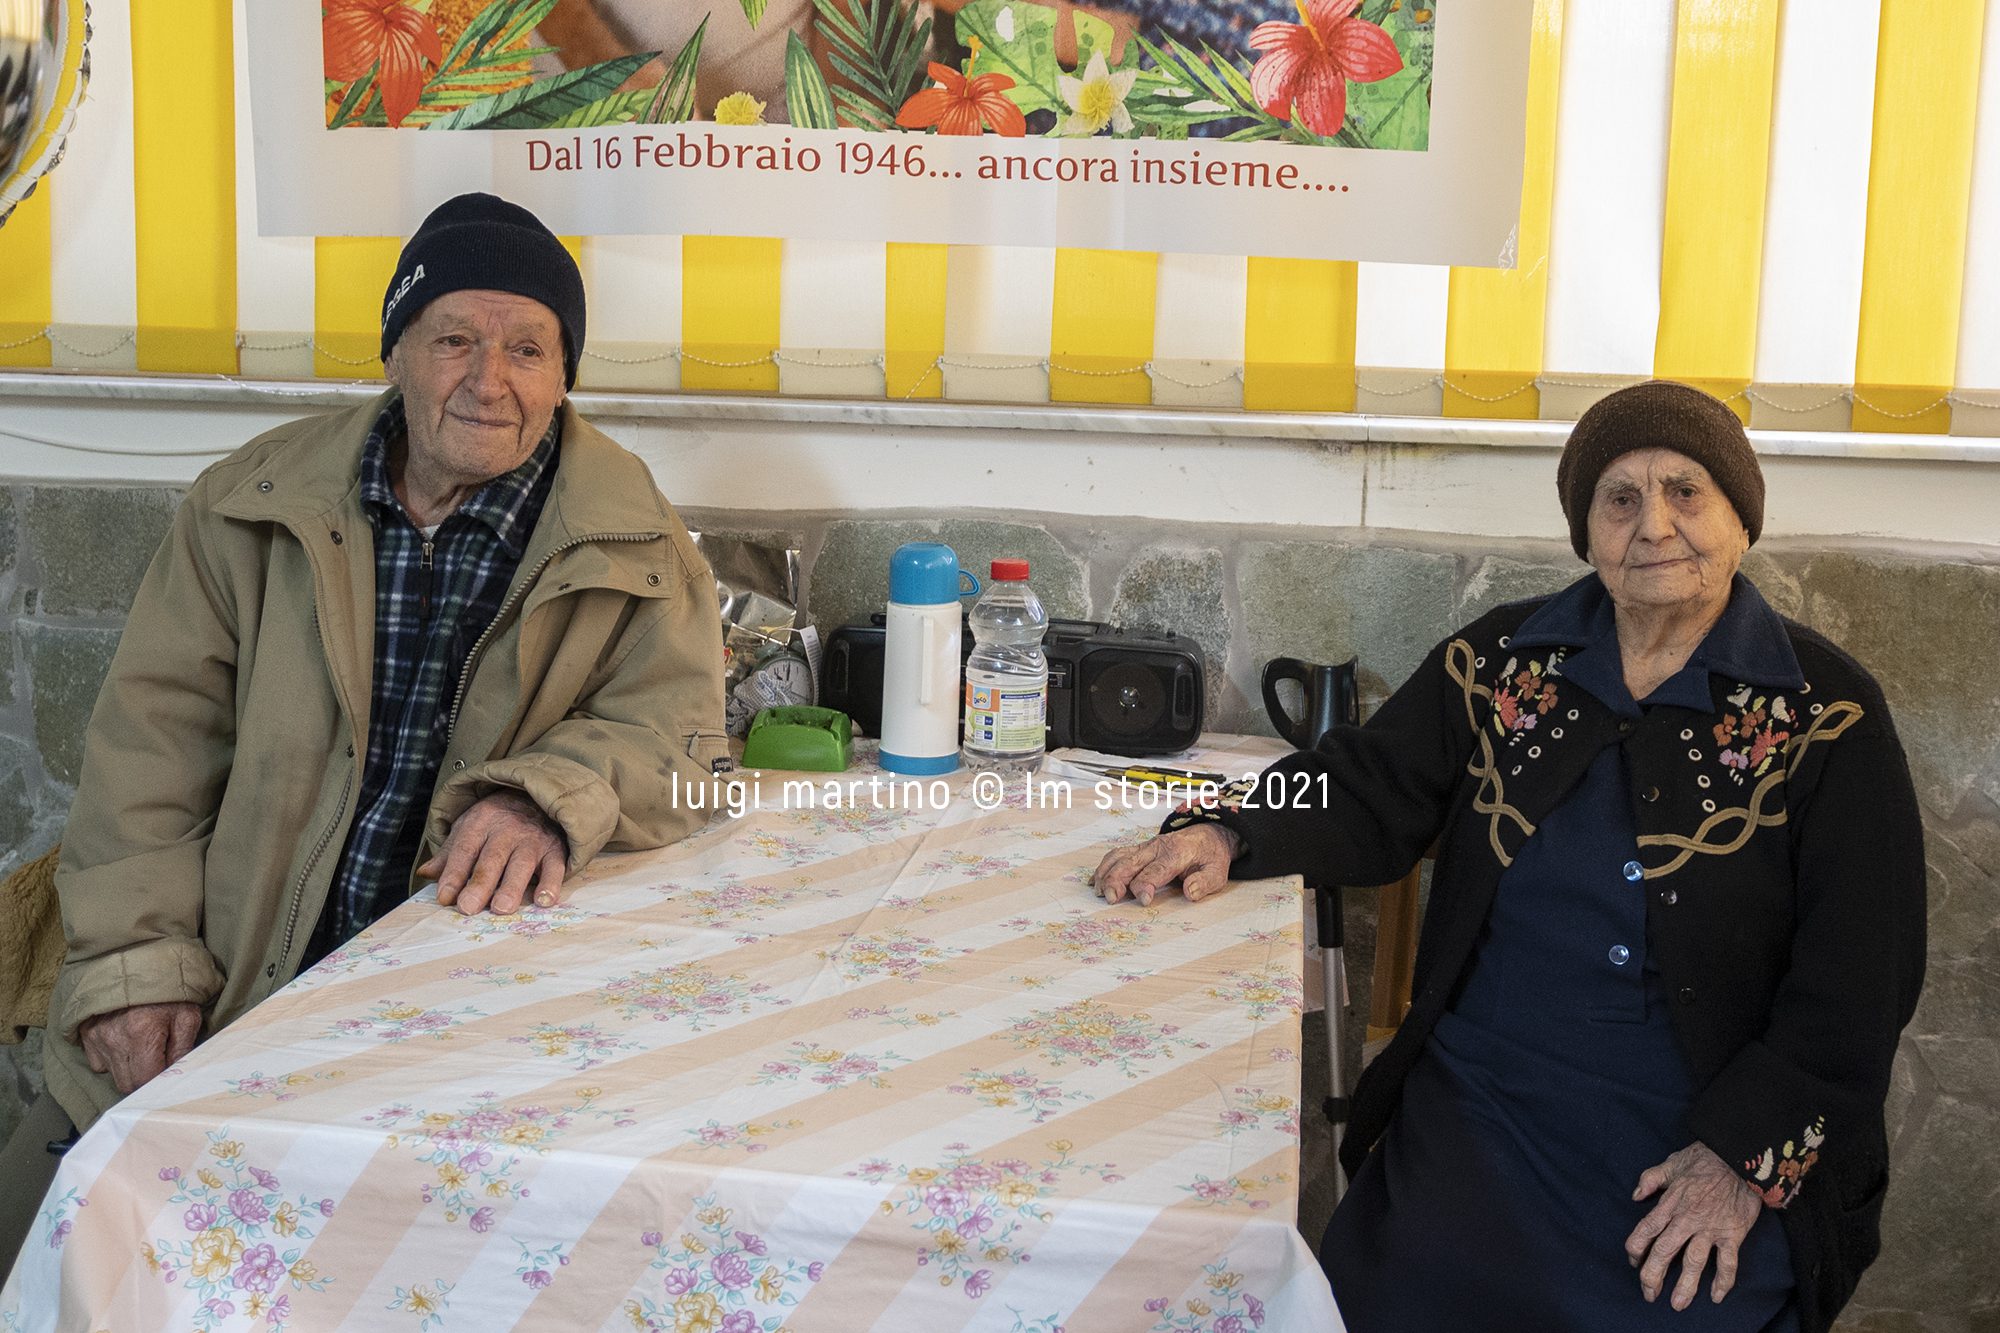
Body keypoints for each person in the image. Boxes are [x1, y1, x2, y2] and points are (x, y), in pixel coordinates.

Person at [1094, 381, 1926, 1333]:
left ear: (1741, 516)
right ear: (1587, 531)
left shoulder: (1828, 715)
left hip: (1704, 1122)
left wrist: (1740, 1159)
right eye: (1620, 498)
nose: (1653, 524)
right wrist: (1230, 827)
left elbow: (1860, 982)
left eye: (1685, 492)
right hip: (1484, 1098)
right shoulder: (1504, 663)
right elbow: (1369, 783)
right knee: (1378, 1299)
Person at [0, 192, 730, 1274]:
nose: (490, 380)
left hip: (453, 1019)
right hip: (235, 976)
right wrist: (139, 964)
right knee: (64, 1239)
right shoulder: (248, 505)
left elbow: (683, 746)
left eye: (527, 346)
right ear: (396, 351)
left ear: (564, 372)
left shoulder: (633, 538)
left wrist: (544, 791)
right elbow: (148, 745)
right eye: (455, 340)